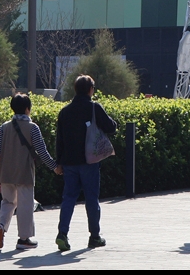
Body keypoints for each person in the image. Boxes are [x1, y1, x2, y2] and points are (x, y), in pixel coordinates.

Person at [0, 93, 62, 251]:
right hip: (24, 172)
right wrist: (54, 167)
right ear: (27, 109)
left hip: (5, 171)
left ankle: (1, 226)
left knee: (8, 202)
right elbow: (42, 151)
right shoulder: (33, 128)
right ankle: (24, 239)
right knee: (25, 205)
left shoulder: (5, 127)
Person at [54, 74, 118, 251]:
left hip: (69, 162)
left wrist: (59, 162)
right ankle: (94, 236)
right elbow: (111, 127)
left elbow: (59, 140)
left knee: (68, 198)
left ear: (75, 90)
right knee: (91, 198)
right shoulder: (94, 108)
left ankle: (62, 234)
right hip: (90, 161)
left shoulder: (65, 111)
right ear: (90, 90)